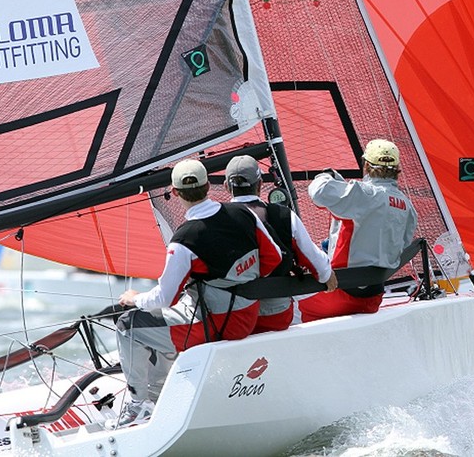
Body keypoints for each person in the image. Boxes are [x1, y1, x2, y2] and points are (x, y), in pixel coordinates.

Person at [112, 158, 282, 427]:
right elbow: (273, 258)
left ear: (176, 192)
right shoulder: (244, 215)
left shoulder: (183, 240)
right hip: (248, 316)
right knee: (163, 317)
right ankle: (156, 397)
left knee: (128, 325)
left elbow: (163, 298)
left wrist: (134, 298)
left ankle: (138, 405)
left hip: (217, 325)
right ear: (209, 185)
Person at [297, 139, 417, 322]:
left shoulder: (363, 194)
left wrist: (326, 175)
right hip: (372, 298)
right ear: (397, 168)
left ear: (366, 165)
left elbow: (318, 192)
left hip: (340, 295)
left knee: (283, 303)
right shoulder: (407, 206)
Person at [223, 154, 338, 332]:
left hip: (231, 315)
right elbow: (315, 262)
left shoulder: (214, 219)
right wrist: (327, 276)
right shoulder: (284, 215)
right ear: (260, 184)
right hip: (275, 313)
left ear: (226, 187)